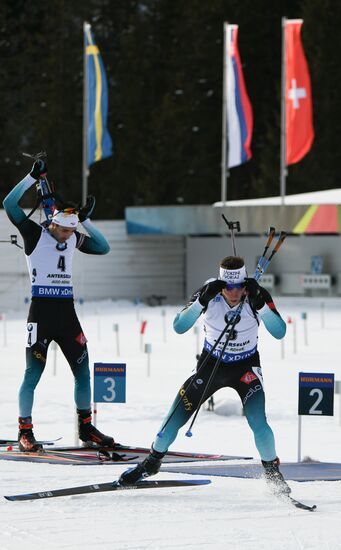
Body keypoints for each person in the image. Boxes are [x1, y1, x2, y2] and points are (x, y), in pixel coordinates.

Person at [119, 256, 290, 495]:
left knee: (258, 422)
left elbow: (280, 332)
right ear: (221, 284)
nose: (234, 292)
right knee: (173, 418)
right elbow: (179, 327)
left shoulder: (255, 295)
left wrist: (261, 304)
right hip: (211, 366)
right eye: (228, 287)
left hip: (246, 367)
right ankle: (152, 462)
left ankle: (272, 473)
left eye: (239, 286)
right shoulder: (209, 293)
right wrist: (200, 302)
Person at [3, 159, 115, 451]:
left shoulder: (74, 236)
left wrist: (86, 220)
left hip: (66, 314)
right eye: (63, 231)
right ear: (52, 224)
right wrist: (31, 178)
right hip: (40, 312)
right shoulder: (34, 234)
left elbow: (103, 247)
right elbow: (9, 204)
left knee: (83, 371)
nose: (67, 237)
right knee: (32, 374)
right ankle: (24, 431)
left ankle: (86, 427)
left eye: (71, 232)